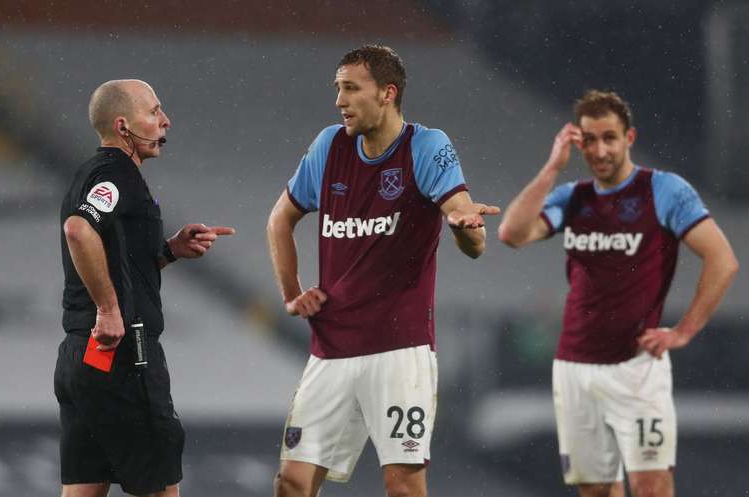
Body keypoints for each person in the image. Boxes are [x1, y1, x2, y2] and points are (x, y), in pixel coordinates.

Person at [266, 45, 498, 497]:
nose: (339, 100)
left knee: (403, 487)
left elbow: (473, 238)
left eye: (351, 88)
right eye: (338, 88)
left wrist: (464, 228)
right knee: (292, 482)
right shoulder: (329, 145)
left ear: (388, 93)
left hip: (399, 350)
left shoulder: (427, 146)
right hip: (331, 348)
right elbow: (280, 219)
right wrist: (292, 293)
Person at [498, 90, 739, 497]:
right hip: (575, 367)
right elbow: (512, 234)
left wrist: (683, 331)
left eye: (609, 137)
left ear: (629, 138)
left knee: (651, 486)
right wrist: (552, 167)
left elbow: (723, 260)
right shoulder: (572, 198)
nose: (599, 149)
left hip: (637, 367)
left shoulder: (663, 191)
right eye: (589, 140)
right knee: (595, 491)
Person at [55, 79, 234, 497]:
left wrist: (169, 251)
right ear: (123, 126)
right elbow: (79, 230)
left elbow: (114, 254)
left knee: (84, 488)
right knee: (159, 486)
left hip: (83, 357)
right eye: (153, 112)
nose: (165, 121)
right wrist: (108, 308)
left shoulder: (92, 174)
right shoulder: (117, 173)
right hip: (125, 356)